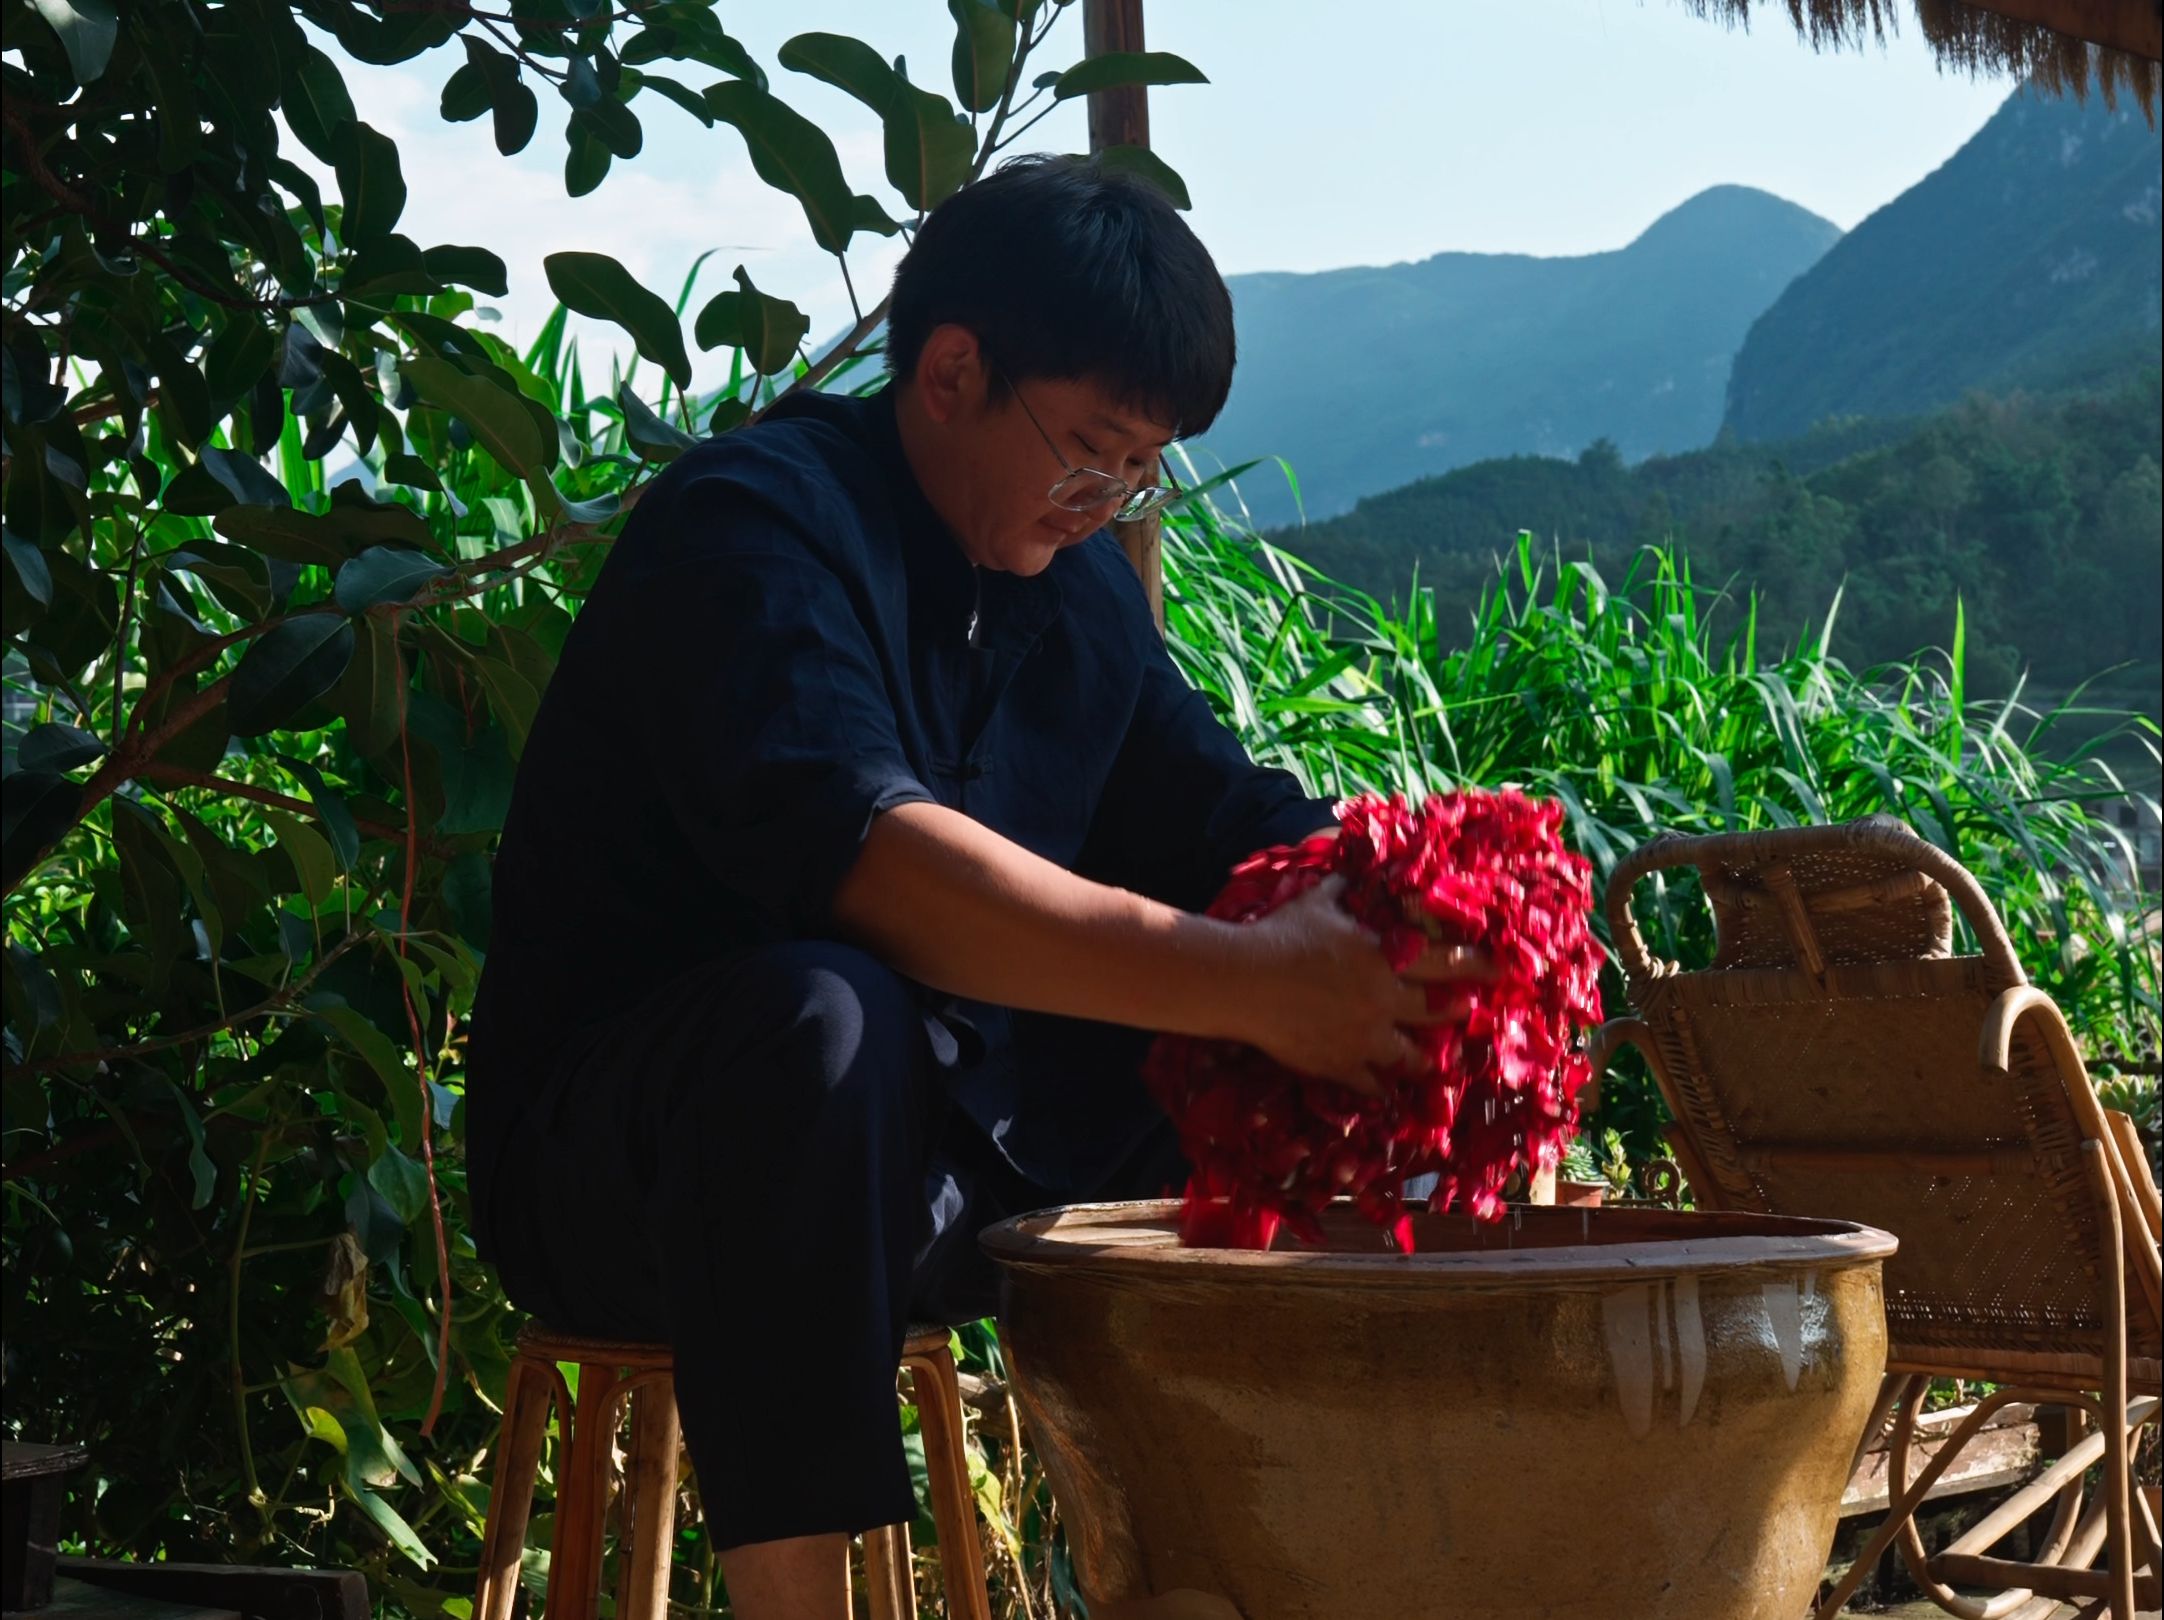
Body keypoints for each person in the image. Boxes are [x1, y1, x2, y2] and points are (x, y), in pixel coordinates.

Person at [465, 153, 1482, 1619]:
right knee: (827, 1015)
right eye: (1088, 448)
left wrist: (1416, 930)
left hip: (931, 1163)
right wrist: (1252, 980)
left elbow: (1229, 824)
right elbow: (878, 869)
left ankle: (1214, 1576)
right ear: (950, 372)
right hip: (637, 1168)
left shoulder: (1075, 596)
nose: (1109, 501)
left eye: (1142, 471)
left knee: (1249, 1046)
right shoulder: (753, 526)